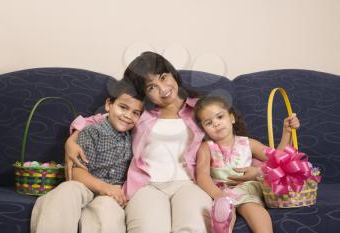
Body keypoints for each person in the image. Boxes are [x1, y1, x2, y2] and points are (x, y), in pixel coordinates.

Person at [65, 51, 214, 232]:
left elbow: (232, 138)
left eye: (163, 77)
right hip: (146, 186)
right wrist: (71, 141)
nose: (162, 88)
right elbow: (96, 120)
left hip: (190, 183)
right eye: (151, 87)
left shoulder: (201, 108)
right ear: (144, 93)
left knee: (193, 226)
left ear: (172, 74)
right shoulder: (140, 113)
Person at [30, 80, 143, 233]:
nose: (128, 116)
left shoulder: (136, 137)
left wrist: (111, 191)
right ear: (109, 105)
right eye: (123, 107)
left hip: (114, 193)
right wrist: (104, 187)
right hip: (85, 184)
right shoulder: (91, 132)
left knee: (107, 210)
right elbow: (76, 171)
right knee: (67, 190)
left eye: (136, 113)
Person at [194, 95, 300, 233]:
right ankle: (222, 226)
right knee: (225, 212)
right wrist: (218, 194)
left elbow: (277, 158)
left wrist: (287, 132)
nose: (216, 123)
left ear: (231, 118)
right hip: (221, 192)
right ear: (203, 128)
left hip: (246, 190)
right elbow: (202, 175)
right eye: (208, 123)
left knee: (254, 209)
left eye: (220, 117)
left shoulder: (248, 143)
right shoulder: (206, 147)